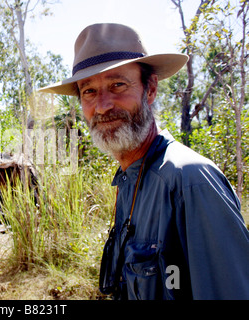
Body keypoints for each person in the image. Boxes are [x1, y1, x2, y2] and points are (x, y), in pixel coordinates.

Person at [39, 23, 249, 300]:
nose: (102, 105)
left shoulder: (190, 180)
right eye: (89, 91)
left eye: (118, 85)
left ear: (150, 90)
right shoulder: (130, 178)